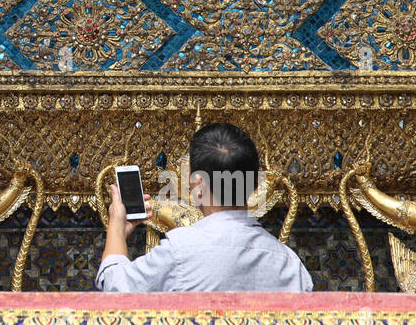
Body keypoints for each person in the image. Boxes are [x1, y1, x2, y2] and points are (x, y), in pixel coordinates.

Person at [96, 122, 312, 292]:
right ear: (256, 186)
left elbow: (116, 288)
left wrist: (116, 227)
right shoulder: (289, 265)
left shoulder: (179, 251)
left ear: (198, 184)